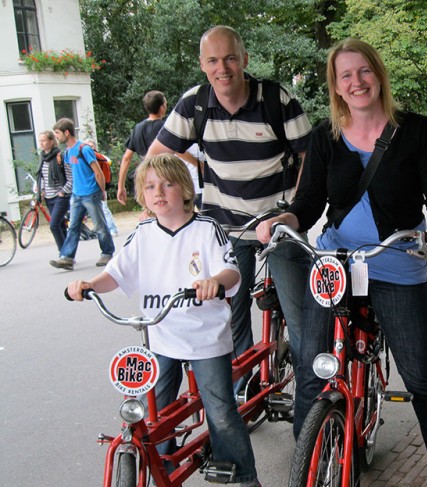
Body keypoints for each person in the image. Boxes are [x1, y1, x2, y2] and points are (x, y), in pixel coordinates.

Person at [255, 38, 427, 487]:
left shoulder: (417, 131)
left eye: (363, 72)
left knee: (418, 368)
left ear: (378, 75)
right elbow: (310, 201)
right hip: (336, 259)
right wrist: (284, 219)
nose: (356, 82)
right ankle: (310, 453)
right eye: (345, 75)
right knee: (313, 359)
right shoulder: (325, 136)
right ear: (336, 86)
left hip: (395, 257)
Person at [66, 154, 266, 487]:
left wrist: (214, 282)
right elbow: (115, 274)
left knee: (221, 411)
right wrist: (90, 284)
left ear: (185, 190)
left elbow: (230, 270)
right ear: (142, 194)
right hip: (159, 335)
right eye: (150, 186)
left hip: (204, 337)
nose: (158, 193)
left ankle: (249, 485)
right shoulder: (142, 234)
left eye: (167, 184)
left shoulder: (206, 229)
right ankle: (164, 481)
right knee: (153, 417)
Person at [147, 25, 312, 390]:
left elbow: (309, 157)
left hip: (278, 223)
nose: (223, 68)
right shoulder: (194, 104)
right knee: (227, 312)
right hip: (225, 225)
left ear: (245, 60)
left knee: (299, 316)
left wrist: (294, 209)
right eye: (213, 60)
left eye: (230, 58)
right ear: (203, 65)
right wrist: (169, 200)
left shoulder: (277, 100)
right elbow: (156, 156)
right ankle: (243, 387)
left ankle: (312, 399)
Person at [49, 118, 115, 271]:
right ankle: (66, 258)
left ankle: (107, 252)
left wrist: (102, 192)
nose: (56, 136)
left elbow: (98, 173)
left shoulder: (83, 149)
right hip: (77, 195)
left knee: (100, 225)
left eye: (58, 133)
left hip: (91, 193)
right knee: (73, 227)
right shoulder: (67, 152)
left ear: (67, 132)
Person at [116, 90, 168, 206]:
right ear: (162, 107)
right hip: (164, 175)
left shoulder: (138, 128)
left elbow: (126, 158)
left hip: (145, 177)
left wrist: (121, 186)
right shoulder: (165, 127)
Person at [35, 130, 72, 251]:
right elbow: (42, 177)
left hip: (60, 196)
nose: (41, 143)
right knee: (61, 225)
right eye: (40, 141)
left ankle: (64, 254)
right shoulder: (42, 158)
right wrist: (40, 188)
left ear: (51, 142)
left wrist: (63, 192)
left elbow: (71, 178)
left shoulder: (60, 156)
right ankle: (69, 252)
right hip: (49, 198)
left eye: (44, 140)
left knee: (54, 225)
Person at [86, 139, 119, 237]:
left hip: (101, 186)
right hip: (90, 188)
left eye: (92, 146)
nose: (90, 148)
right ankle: (101, 229)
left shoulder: (101, 158)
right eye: (88, 146)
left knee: (104, 208)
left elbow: (107, 165)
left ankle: (112, 229)